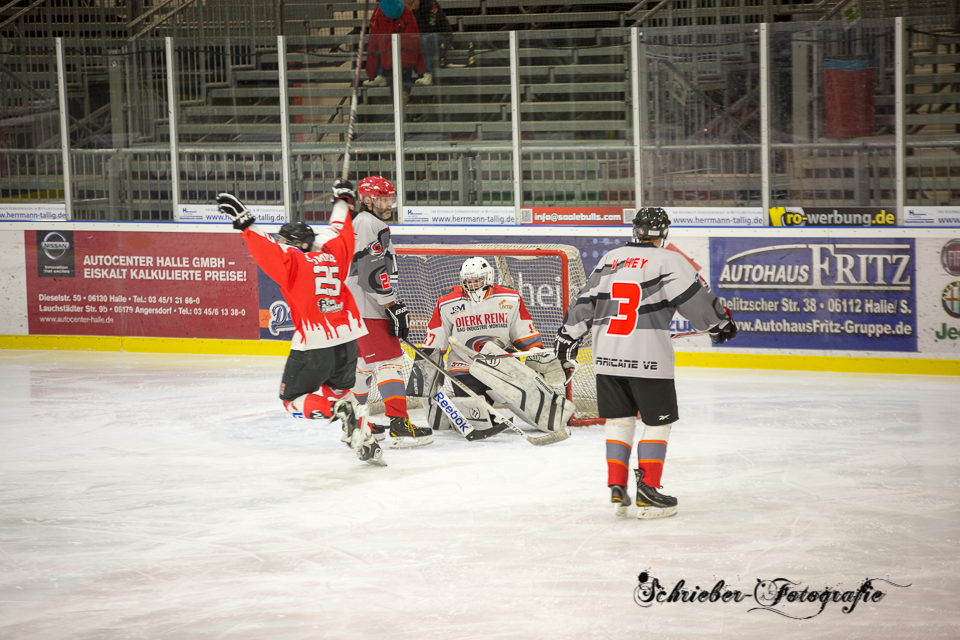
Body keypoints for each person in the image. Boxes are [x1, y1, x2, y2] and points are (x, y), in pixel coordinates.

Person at [554, 207, 738, 519]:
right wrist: (722, 326)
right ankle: (648, 492)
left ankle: (617, 486)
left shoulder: (610, 258)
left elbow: (585, 302)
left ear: (635, 230)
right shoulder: (670, 261)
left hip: (607, 358)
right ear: (663, 233)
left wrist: (567, 336)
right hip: (649, 360)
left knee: (619, 421)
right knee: (658, 422)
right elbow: (699, 303)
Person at [215, 183, 386, 466]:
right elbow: (340, 228)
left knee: (292, 399)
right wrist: (344, 200)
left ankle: (339, 410)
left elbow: (266, 248)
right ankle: (366, 440)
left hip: (315, 345)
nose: (281, 243)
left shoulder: (292, 260)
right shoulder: (334, 254)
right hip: (347, 342)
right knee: (340, 391)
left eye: (285, 240)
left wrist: (246, 223)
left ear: (298, 245)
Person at [408, 257, 573, 441]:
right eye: (468, 282)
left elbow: (523, 334)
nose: (472, 285)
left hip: (501, 363)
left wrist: (538, 355)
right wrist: (426, 374)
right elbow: (435, 341)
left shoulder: (509, 298)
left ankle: (551, 417)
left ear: (488, 278)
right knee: (476, 412)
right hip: (463, 365)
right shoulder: (447, 302)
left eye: (477, 280)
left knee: (526, 397)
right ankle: (447, 412)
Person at [345, 175, 433, 448]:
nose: (388, 204)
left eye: (390, 198)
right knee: (390, 363)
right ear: (367, 200)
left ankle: (356, 425)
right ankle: (398, 426)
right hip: (368, 308)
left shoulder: (361, 223)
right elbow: (371, 272)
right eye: (383, 198)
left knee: (362, 368)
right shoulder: (369, 224)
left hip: (357, 307)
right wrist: (391, 304)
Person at [363, 0, 425, 106]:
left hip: (388, 56)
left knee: (393, 80)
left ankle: (397, 110)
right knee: (405, 78)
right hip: (407, 54)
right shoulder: (406, 9)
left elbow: (373, 43)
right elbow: (415, 36)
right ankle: (404, 97)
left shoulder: (378, 11)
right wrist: (420, 70)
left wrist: (371, 74)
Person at [408, 0, 452, 86]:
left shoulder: (432, 5)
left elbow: (432, 24)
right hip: (425, 38)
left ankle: (428, 74)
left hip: (443, 36)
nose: (409, 6)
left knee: (426, 38)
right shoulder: (409, 10)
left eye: (410, 4)